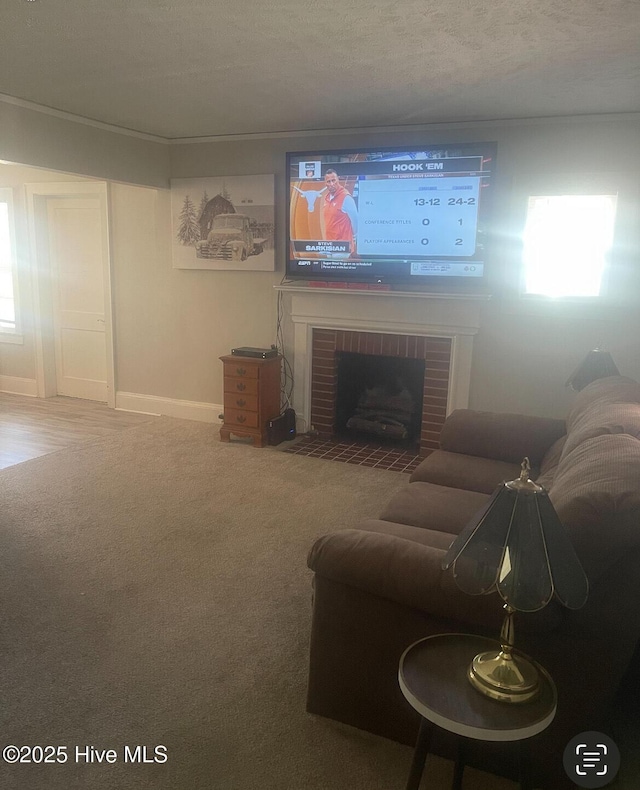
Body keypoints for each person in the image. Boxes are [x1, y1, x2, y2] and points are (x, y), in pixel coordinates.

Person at [322, 169, 358, 254]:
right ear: (325, 183)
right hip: (330, 245)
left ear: (338, 179)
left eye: (333, 180)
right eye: (328, 181)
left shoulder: (346, 197)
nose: (331, 184)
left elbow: (355, 220)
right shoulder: (326, 198)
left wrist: (354, 238)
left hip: (342, 246)